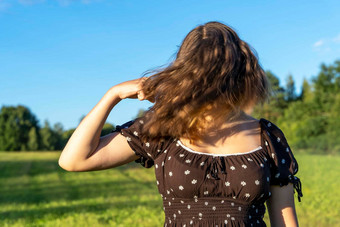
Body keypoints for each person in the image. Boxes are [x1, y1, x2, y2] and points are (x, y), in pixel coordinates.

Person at [58, 21, 302, 227]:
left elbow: (285, 220)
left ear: (238, 72)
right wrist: (112, 95)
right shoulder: (163, 128)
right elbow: (75, 160)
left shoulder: (267, 136)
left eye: (219, 73)